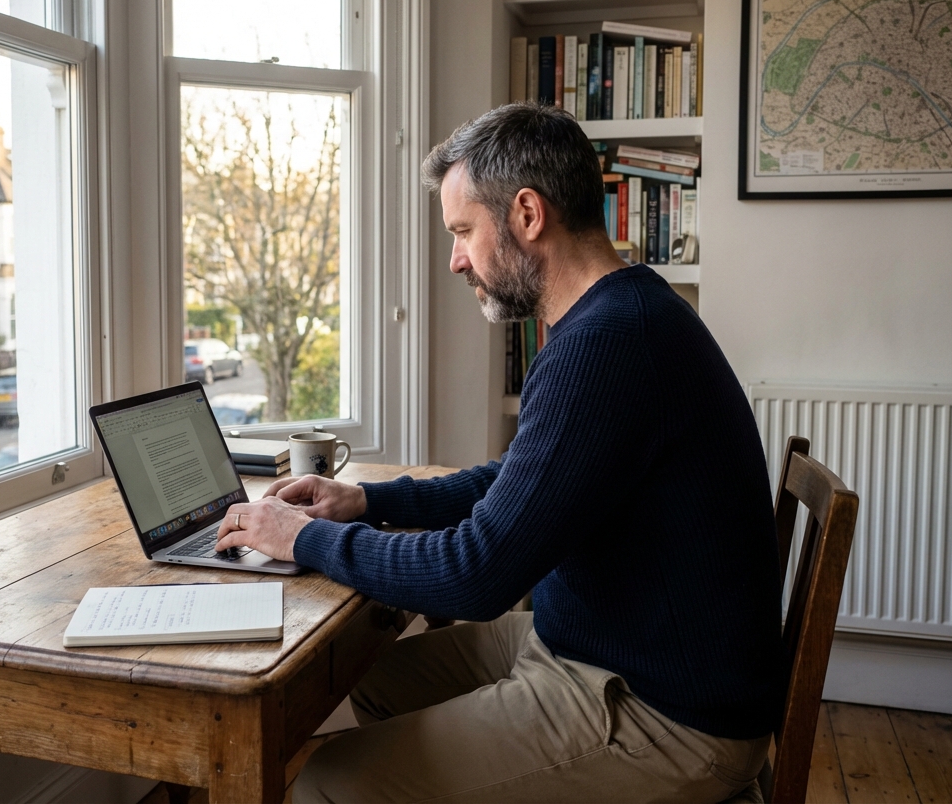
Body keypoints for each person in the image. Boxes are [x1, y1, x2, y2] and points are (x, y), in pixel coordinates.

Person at [215, 103, 786, 803]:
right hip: (591, 645)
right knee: (375, 679)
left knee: (328, 785)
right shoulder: (621, 313)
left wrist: (308, 539)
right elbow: (524, 482)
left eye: (462, 231)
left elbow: (477, 575)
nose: (456, 258)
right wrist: (368, 500)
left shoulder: (607, 346)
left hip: (666, 716)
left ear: (525, 214)